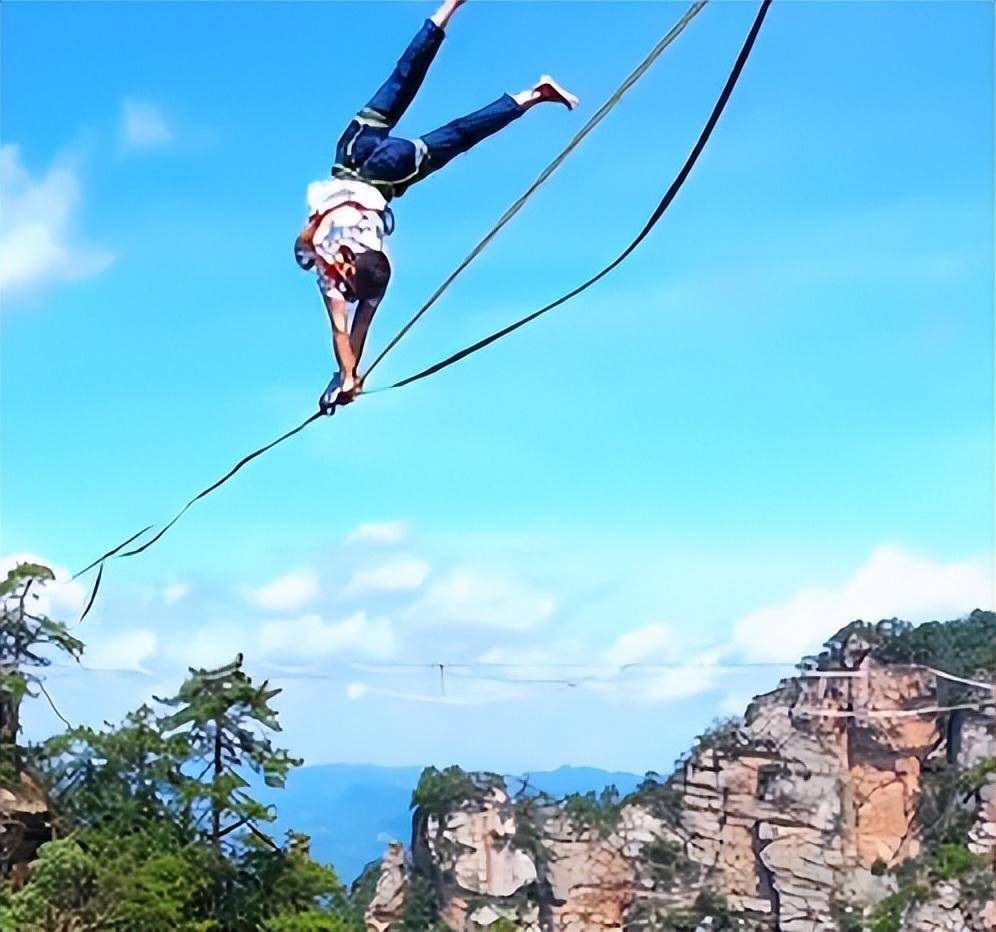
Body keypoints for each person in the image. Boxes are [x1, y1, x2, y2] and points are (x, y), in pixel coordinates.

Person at [295, 0, 579, 413]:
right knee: (405, 82)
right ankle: (456, 14)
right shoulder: (346, 270)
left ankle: (529, 93)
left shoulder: (341, 272)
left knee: (448, 127)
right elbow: (347, 334)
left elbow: (347, 334)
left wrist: (349, 377)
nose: (350, 298)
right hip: (351, 156)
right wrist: (348, 376)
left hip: (380, 176)